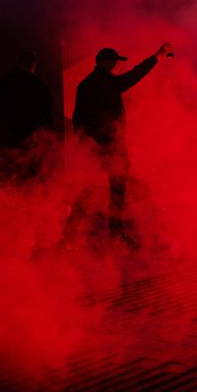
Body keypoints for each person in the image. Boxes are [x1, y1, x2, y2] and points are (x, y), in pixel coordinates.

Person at [65, 42, 173, 247]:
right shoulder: (107, 82)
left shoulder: (85, 84)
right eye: (115, 62)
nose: (117, 66)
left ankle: (69, 235)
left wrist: (85, 143)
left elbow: (77, 118)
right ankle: (114, 235)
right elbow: (133, 76)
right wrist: (156, 57)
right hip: (112, 146)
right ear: (105, 62)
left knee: (88, 190)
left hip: (93, 147)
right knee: (116, 191)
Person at [0, 49, 54, 180]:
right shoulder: (40, 86)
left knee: (7, 177)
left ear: (18, 62)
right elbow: (48, 117)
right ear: (34, 65)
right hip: (32, 141)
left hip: (7, 138)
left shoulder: (3, 83)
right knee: (30, 180)